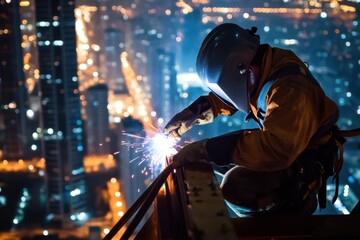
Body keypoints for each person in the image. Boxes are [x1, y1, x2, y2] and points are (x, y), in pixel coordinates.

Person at [163, 23, 344, 216]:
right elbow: (238, 93)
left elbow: (277, 149)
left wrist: (206, 148)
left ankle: (286, 211)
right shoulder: (268, 63)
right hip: (287, 146)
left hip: (300, 162)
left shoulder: (291, 90)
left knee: (235, 185)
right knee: (205, 158)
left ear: (247, 71)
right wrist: (195, 114)